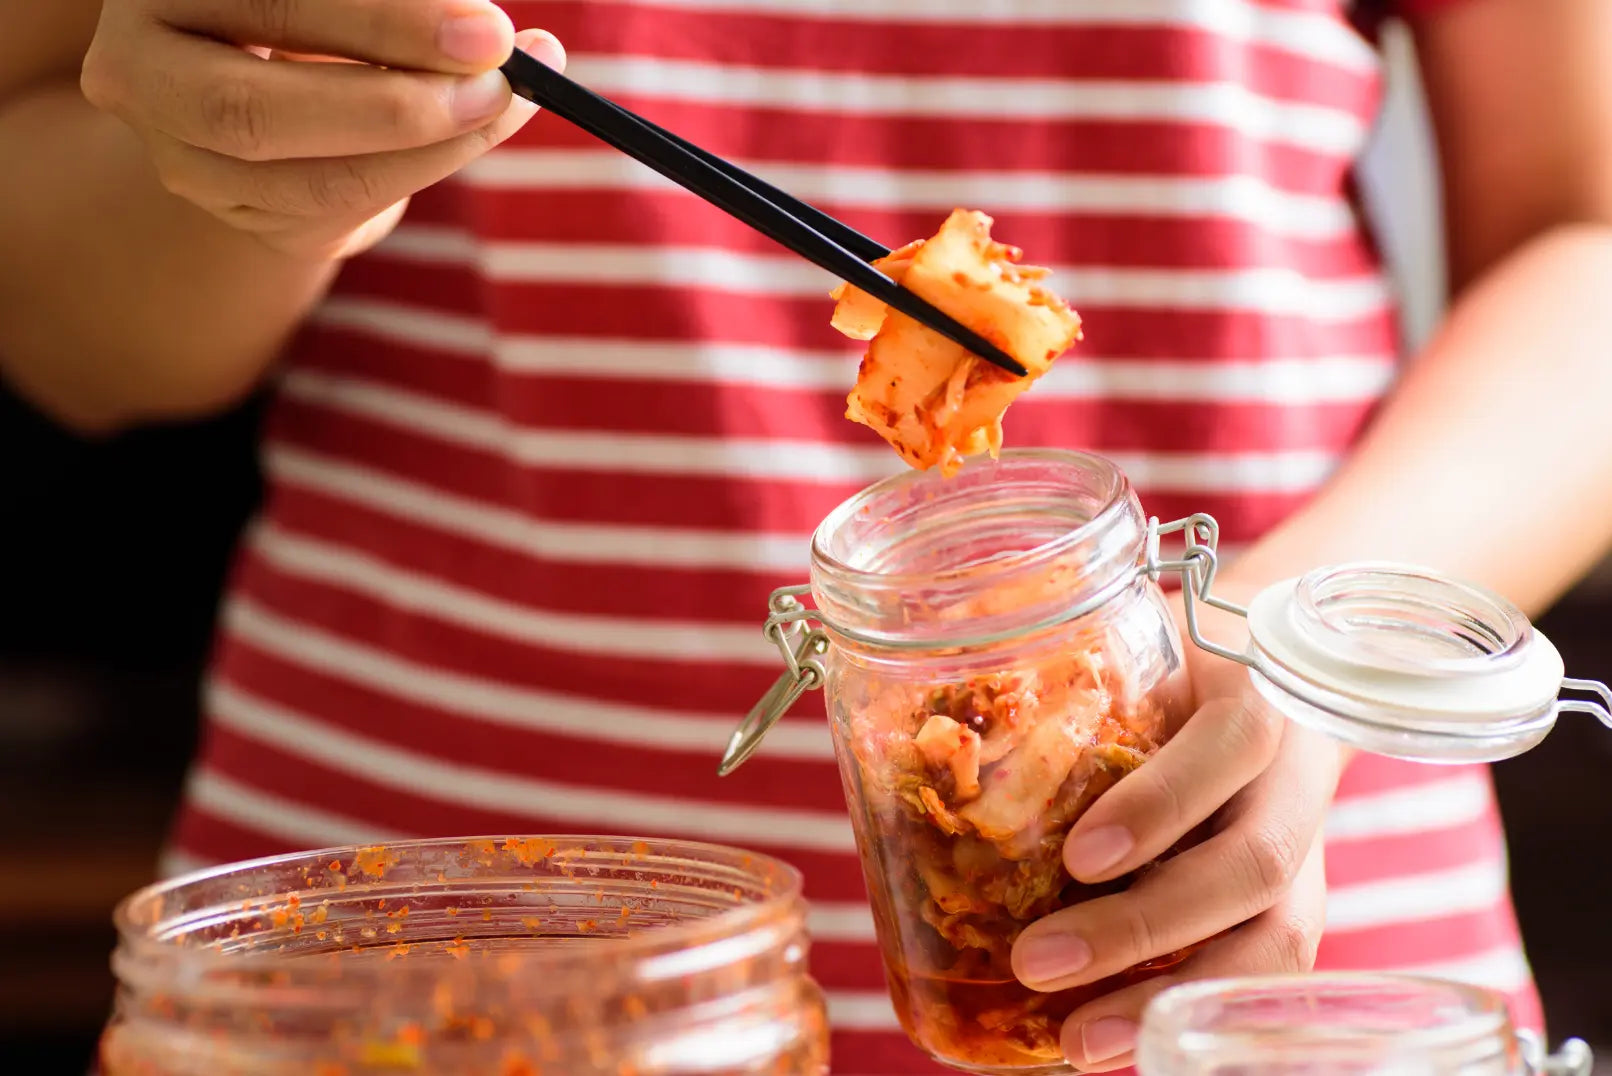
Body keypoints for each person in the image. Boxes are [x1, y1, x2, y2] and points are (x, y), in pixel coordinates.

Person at [4, 0, 1611, 1070]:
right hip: (416, 956)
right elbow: (64, 335)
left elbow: (1584, 241)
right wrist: (248, 161)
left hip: (1268, 958)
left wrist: (1301, 644)